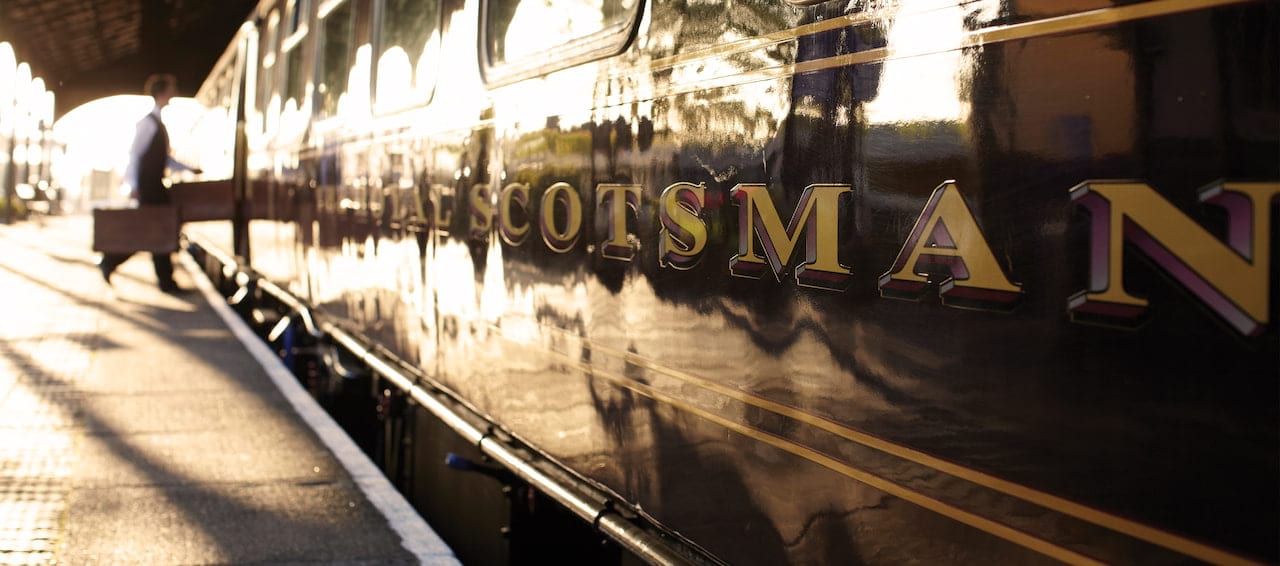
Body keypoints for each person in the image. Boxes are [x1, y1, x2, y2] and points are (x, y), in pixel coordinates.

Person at [98, 74, 202, 292]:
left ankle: (162, 279)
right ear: (162, 92)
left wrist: (188, 169)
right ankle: (112, 262)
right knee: (153, 231)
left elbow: (164, 159)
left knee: (157, 231)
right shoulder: (147, 123)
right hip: (149, 188)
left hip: (154, 187)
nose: (174, 92)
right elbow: (135, 155)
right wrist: (133, 186)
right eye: (171, 89)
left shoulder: (158, 122)